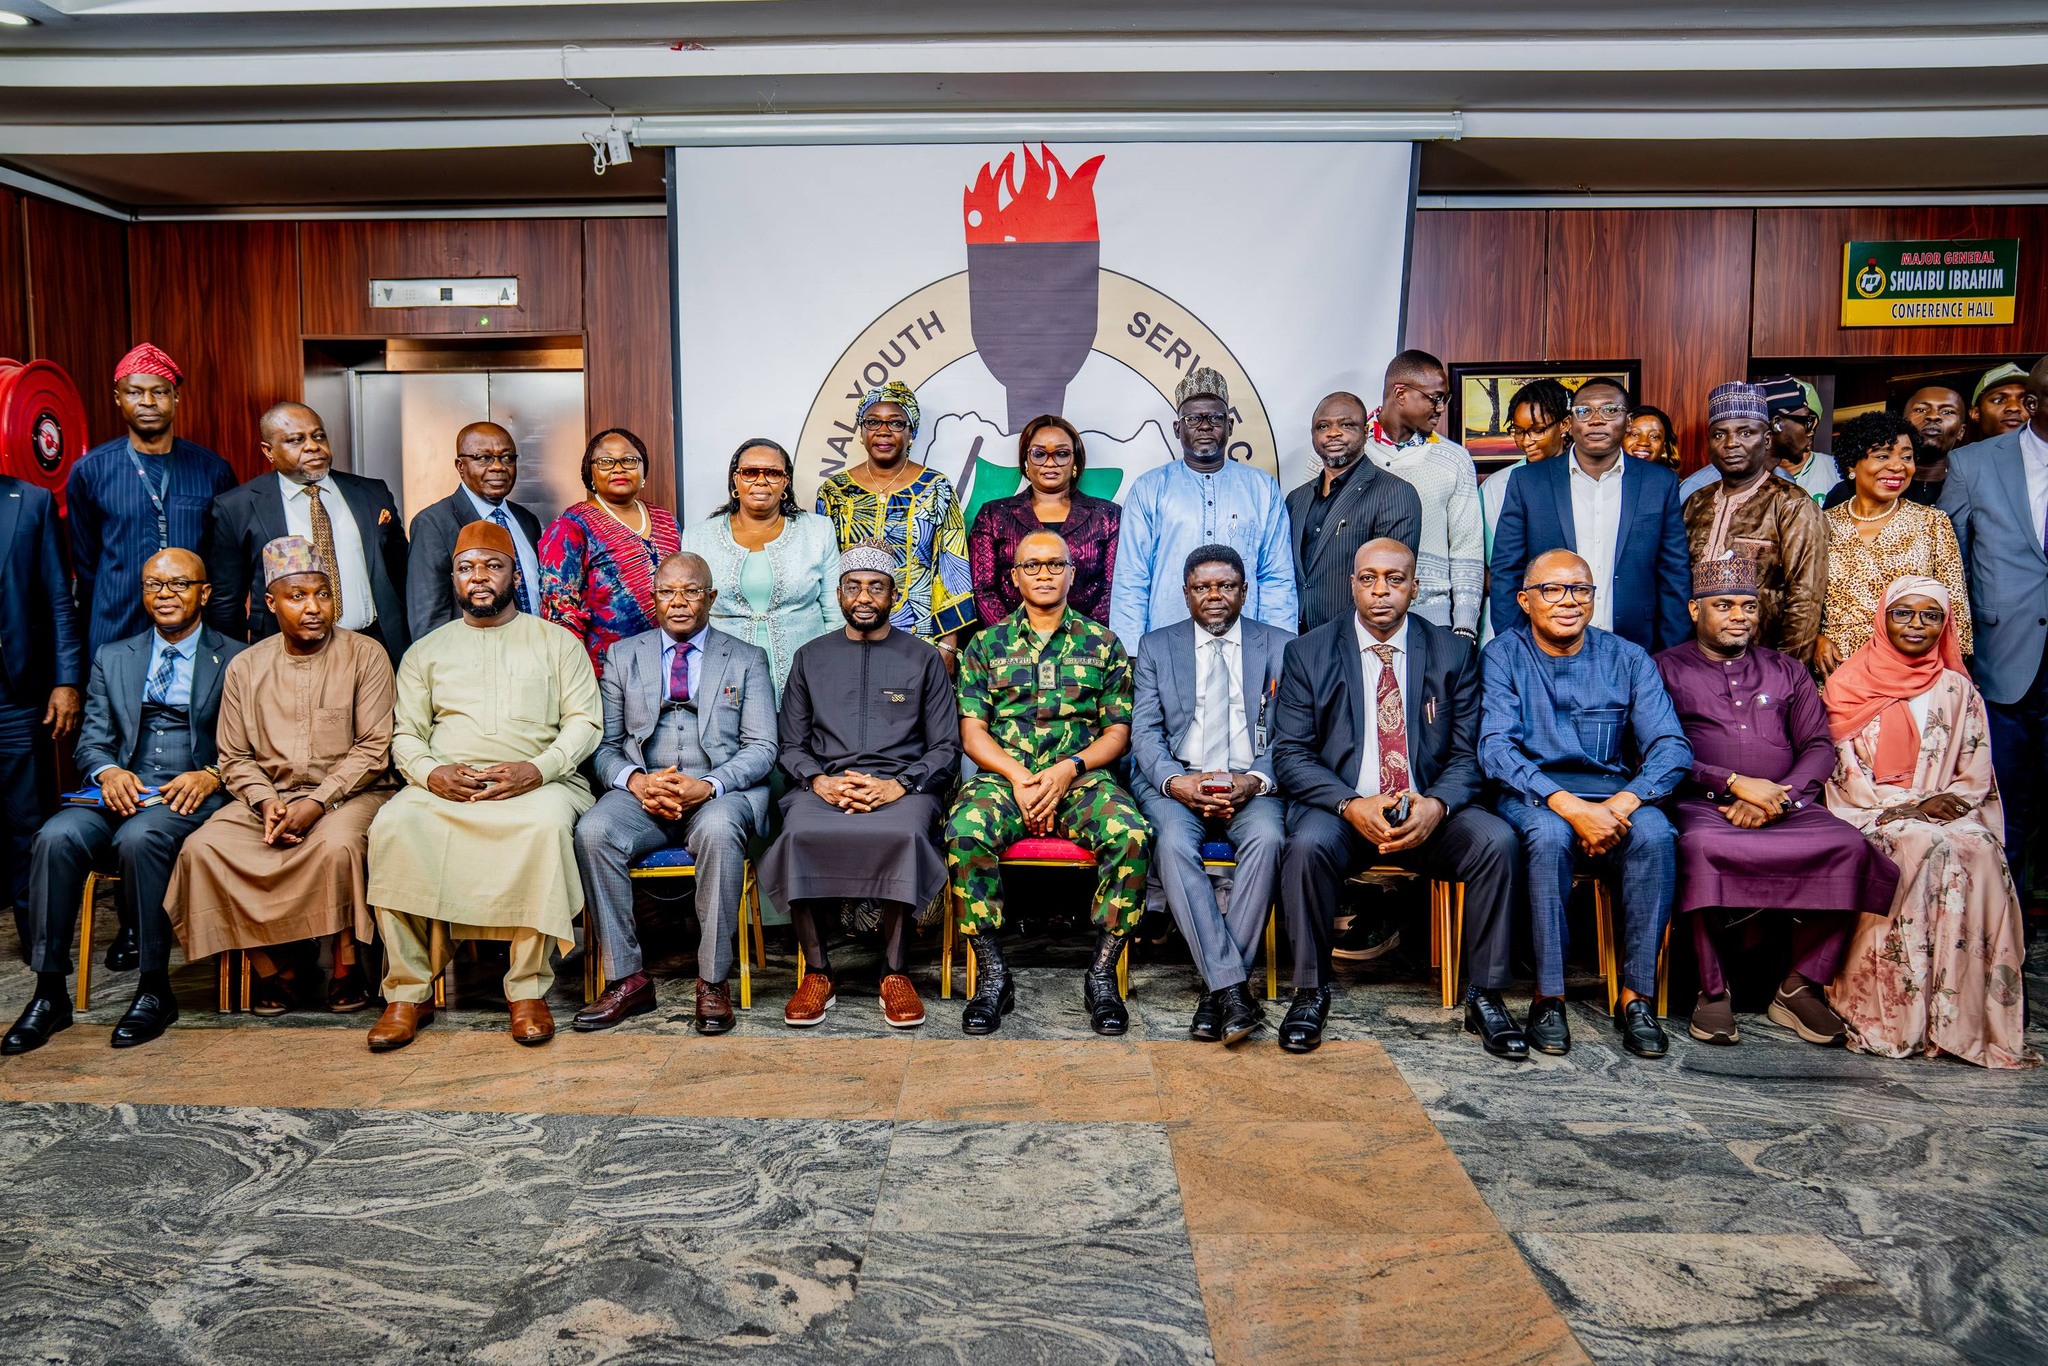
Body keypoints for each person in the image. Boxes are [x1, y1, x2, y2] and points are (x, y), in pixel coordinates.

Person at [1273, 539, 1526, 1059]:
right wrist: (1350, 805)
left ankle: (1486, 994)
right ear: (1352, 584)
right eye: (1368, 578)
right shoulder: (1308, 652)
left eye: (1395, 579)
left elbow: (1468, 754)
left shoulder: (1452, 653)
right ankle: (1310, 990)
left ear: (1415, 586)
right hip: (1344, 811)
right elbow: (1291, 754)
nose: (1380, 590)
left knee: (1497, 841)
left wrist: (1437, 805)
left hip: (1426, 810)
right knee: (1306, 847)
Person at [364, 521, 602, 1051]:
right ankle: (407, 993)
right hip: (448, 786)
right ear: (453, 578)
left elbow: (585, 723)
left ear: (515, 576)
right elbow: (406, 735)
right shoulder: (426, 651)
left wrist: (537, 769)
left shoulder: (557, 643)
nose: (479, 577)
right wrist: (432, 774)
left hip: (541, 783)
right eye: (467, 568)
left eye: (493, 566)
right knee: (393, 825)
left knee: (543, 829)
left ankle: (527, 990)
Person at [1654, 558, 1900, 1048]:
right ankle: (1713, 990)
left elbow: (1817, 746)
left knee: (1850, 848)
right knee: (1699, 849)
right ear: (1695, 610)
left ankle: (1798, 985)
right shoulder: (1663, 668)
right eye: (1724, 605)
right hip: (1703, 805)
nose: (1739, 616)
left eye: (1748, 606)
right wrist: (1731, 784)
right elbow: (1657, 748)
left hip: (1787, 805)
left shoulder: (1786, 669)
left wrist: (1779, 798)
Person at [3, 549, 242, 1054]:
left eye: (179, 584)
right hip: (119, 789)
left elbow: (255, 741)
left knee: (140, 838)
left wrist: (211, 774)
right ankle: (49, 992)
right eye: (153, 584)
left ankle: (154, 987)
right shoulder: (113, 656)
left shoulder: (238, 657)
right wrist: (109, 771)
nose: (165, 594)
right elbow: (91, 740)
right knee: (54, 837)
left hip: (190, 790)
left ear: (204, 593)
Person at [166, 537, 395, 1015]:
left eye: (323, 594)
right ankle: (276, 970)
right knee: (203, 849)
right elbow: (234, 756)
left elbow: (374, 749)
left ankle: (346, 965)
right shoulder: (246, 667)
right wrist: (266, 802)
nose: (313, 607)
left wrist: (317, 803)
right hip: (267, 799)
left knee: (338, 846)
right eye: (297, 596)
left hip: (352, 794)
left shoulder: (366, 654)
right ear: (271, 604)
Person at [1481, 549, 1691, 1060]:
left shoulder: (1627, 658)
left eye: (1580, 589)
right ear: (1525, 601)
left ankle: (1635, 997)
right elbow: (1495, 748)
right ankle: (1548, 997)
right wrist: (1571, 808)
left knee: (1656, 835)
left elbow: (1671, 746)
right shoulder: (1503, 655)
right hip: (1534, 796)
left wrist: (1621, 804)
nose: (1568, 601)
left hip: (1613, 796)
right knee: (1549, 835)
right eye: (1552, 590)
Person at [1824, 577, 2039, 1070]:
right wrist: (1899, 808)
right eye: (1903, 613)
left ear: (1946, 624)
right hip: (1875, 810)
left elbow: (1976, 771)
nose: (1916, 624)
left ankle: (1963, 1019)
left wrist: (1944, 802)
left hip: (1944, 807)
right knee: (1921, 843)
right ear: (1883, 619)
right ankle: (1900, 1017)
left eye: (1931, 615)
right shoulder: (1847, 682)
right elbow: (1841, 769)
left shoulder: (1958, 688)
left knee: (1982, 849)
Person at [948, 530, 1150, 1037]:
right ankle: (993, 976)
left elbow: (1118, 732)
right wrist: (1020, 778)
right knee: (964, 830)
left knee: (1131, 834)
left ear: (1072, 574)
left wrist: (1067, 770)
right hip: (1004, 779)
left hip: (1081, 778)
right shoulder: (986, 645)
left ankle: (1101, 974)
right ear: (1014, 577)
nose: (1044, 574)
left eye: (1055, 565)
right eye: (1032, 566)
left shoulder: (1103, 643)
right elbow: (972, 732)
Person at [572, 552, 776, 1036]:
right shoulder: (623, 656)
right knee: (593, 831)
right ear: (654, 598)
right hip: (643, 794)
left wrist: (709, 785)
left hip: (718, 793)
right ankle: (627, 979)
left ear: (711, 598)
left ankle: (713, 981)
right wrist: (637, 782)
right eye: (667, 592)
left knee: (721, 830)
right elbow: (604, 745)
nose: (678, 602)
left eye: (691, 591)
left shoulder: (745, 657)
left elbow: (763, 746)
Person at [761, 542, 960, 1030]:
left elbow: (946, 747)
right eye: (853, 587)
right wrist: (820, 782)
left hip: (904, 789)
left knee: (904, 835)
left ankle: (895, 973)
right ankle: (818, 972)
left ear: (894, 594)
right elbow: (790, 743)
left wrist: (899, 785)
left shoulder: (923, 658)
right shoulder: (811, 657)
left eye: (876, 587)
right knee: (799, 835)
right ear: (839, 594)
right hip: (825, 787)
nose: (864, 597)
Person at [1130, 545, 1290, 1045]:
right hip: (1179, 781)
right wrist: (1175, 782)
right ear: (1186, 593)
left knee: (1268, 839)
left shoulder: (1281, 646)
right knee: (1172, 843)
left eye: (1226, 586)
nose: (1214, 596)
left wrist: (1255, 781)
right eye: (1202, 587)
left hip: (1251, 782)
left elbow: (1293, 735)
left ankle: (1218, 990)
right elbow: (1145, 733)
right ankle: (1233, 991)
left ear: (1245, 591)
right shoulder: (1157, 646)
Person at [1937, 356, 2048, 895]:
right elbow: (1950, 563)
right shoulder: (1974, 463)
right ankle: (2009, 927)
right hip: (2005, 659)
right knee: (2007, 806)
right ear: (2034, 404)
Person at [1490, 377, 1691, 656]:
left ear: (1628, 422)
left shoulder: (1659, 483)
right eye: (1584, 411)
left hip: (1637, 647)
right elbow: (1506, 572)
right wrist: (1516, 647)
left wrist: (1670, 654)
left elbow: (1674, 573)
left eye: (1610, 410)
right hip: (1545, 648)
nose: (1596, 420)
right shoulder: (1528, 482)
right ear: (1569, 423)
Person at [206, 402, 410, 666]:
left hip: (373, 646)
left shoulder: (372, 493)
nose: (313, 446)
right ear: (268, 451)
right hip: (285, 656)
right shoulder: (237, 507)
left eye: (319, 436)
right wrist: (240, 665)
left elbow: (402, 574)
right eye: (296, 440)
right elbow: (226, 602)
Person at [68, 344, 237, 657]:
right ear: (118, 397)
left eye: (159, 392)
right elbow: (86, 561)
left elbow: (224, 561)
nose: (147, 402)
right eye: (134, 392)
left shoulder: (212, 470)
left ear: (176, 397)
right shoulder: (90, 470)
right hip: (115, 625)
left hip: (196, 633)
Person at [1111, 368, 1296, 650]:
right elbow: (1132, 577)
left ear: (1230, 426)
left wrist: (1280, 648)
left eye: (1215, 418)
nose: (1205, 426)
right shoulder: (1149, 488)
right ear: (1178, 428)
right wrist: (1131, 651)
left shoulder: (1262, 488)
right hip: (1167, 644)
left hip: (1246, 645)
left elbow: (1276, 576)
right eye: (1193, 419)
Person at [815, 381, 976, 654]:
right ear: (861, 431)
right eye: (873, 422)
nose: (883, 431)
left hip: (920, 634)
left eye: (896, 423)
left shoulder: (936, 488)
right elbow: (827, 571)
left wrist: (948, 646)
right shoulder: (835, 491)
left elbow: (951, 568)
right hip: (851, 632)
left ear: (911, 433)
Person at [678, 438, 840, 699]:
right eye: (750, 472)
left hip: (807, 676)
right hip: (725, 676)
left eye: (773, 473)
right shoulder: (698, 538)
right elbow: (691, 615)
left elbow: (835, 614)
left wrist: (830, 670)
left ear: (786, 482)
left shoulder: (817, 531)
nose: (761, 481)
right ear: (736, 480)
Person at [1681, 382, 1826, 668]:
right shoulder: (1696, 502)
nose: (1731, 443)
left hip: (1763, 663)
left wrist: (1786, 672)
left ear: (1767, 439)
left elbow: (1806, 598)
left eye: (1745, 433)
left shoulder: (1791, 503)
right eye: (1719, 434)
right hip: (1696, 663)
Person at [1817, 411, 1970, 677]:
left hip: (1911, 671)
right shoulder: (1822, 524)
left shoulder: (1932, 522)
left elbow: (1955, 608)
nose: (1899, 466)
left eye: (1907, 457)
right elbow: (1802, 598)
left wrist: (1953, 672)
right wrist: (1814, 639)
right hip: (1838, 671)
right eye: (1883, 456)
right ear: (1852, 464)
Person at [0, 466, 82, 948]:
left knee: (26, 821)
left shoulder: (30, 501)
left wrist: (66, 679)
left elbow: (57, 598)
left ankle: (40, 944)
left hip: (14, 694)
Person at [1355, 351, 1484, 640]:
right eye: (1435, 398)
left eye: (1444, 399)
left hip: (1432, 621)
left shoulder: (1455, 459)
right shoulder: (1346, 451)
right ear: (1400, 393)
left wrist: (1464, 627)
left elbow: (1467, 548)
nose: (1441, 408)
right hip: (1356, 620)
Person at [540, 428, 682, 681]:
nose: (619, 468)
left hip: (668, 666)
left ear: (643, 470)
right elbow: (560, 613)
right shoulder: (571, 526)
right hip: (604, 674)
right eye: (606, 461)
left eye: (629, 460)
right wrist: (577, 679)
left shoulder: (666, 521)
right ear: (590, 472)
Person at [967, 415, 1122, 628]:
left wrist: (1084, 637)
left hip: (1087, 642)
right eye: (1039, 454)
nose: (1050, 463)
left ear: (1075, 460)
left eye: (1061, 454)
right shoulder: (993, 515)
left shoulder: (1107, 515)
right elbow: (982, 589)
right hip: (1009, 644)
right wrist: (1012, 637)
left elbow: (1113, 588)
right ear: (1025, 461)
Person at [1287, 391, 1422, 632]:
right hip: (1299, 639)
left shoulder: (1395, 492)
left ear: (1366, 431)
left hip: (1357, 638)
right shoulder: (1296, 499)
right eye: (1323, 426)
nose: (1333, 433)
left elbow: (1393, 583)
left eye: (1346, 425)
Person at [406, 422, 545, 640]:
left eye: (507, 457)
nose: (498, 467)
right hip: (475, 654)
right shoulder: (433, 524)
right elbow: (429, 620)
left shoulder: (526, 520)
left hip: (538, 646)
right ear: (460, 466)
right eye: (484, 458)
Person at [1679, 377, 1833, 504]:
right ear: (1777, 424)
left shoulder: (1786, 481)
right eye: (1807, 421)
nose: (1810, 431)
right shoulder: (1697, 488)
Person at [1479, 378, 1571, 561]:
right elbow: (1494, 559)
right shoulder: (1495, 486)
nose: (1526, 441)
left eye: (1538, 430)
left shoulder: (1582, 477)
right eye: (1519, 431)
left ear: (1564, 424)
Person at [1969, 362, 2031, 444]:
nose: (2014, 407)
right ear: (1976, 413)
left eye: (2025, 400)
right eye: (1999, 400)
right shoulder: (1963, 452)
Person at [1623, 405, 1680, 472]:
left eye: (1654, 436)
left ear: (1664, 447)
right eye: (1635, 434)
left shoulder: (1671, 478)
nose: (1643, 442)